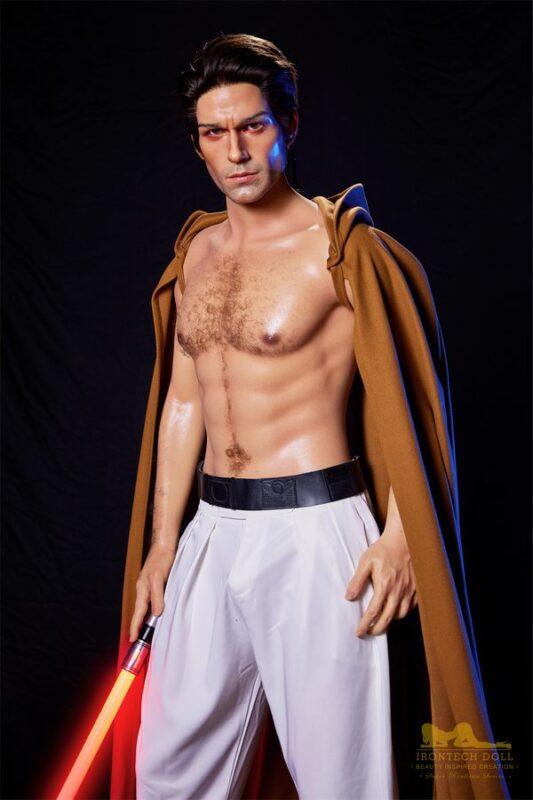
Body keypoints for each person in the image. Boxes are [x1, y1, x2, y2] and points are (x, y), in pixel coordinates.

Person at [110, 33, 510, 800]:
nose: (235, 151)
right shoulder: (195, 255)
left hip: (316, 535)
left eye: (253, 126)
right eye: (214, 133)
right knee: (169, 774)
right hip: (210, 534)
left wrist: (401, 536)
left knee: (340, 780)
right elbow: (183, 399)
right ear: (196, 142)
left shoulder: (342, 251)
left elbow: (415, 401)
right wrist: (162, 545)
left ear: (288, 126)